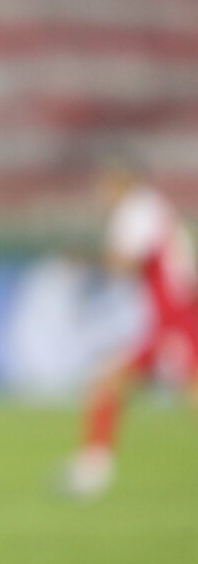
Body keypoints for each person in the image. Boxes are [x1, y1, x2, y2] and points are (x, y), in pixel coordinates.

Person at [62, 156, 198, 498]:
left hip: (176, 317)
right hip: (169, 317)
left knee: (190, 392)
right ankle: (92, 471)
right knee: (108, 382)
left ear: (122, 182)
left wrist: (84, 261)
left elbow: (126, 262)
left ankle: (92, 471)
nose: (102, 192)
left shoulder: (136, 209)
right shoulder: (150, 207)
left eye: (107, 183)